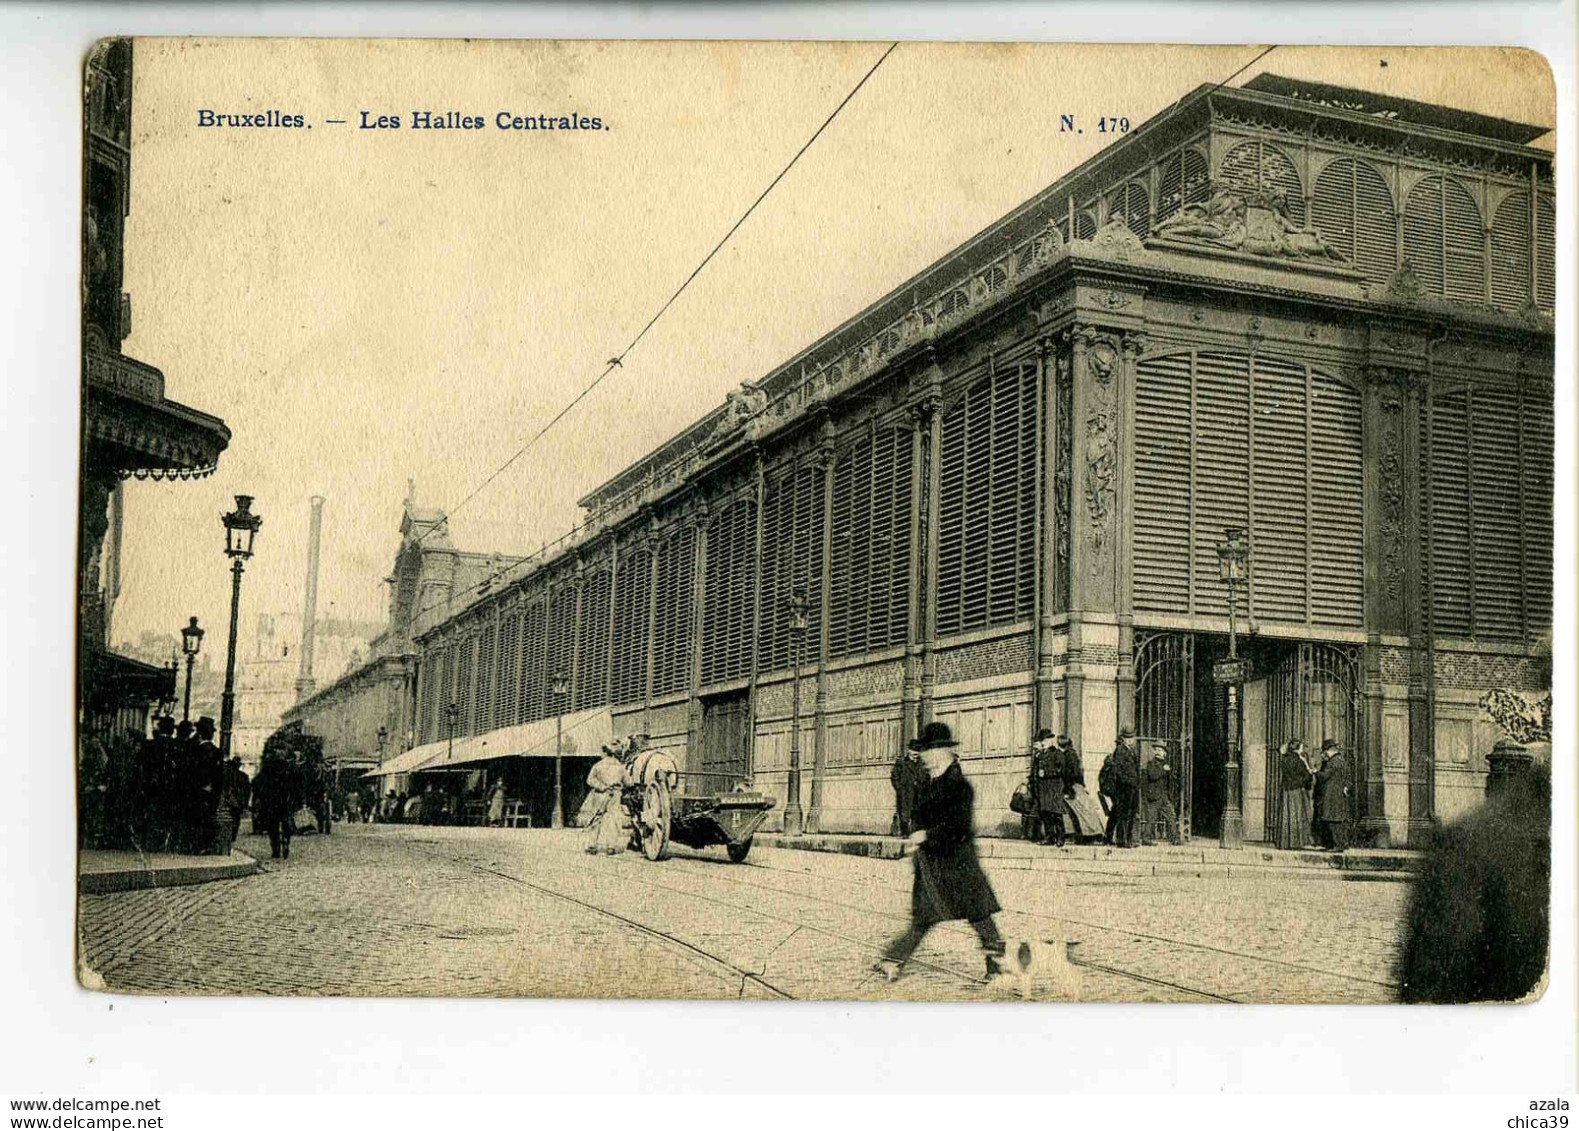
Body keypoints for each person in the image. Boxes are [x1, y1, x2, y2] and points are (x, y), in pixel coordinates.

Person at [872, 722, 1007, 985]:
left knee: (980, 917)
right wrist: (916, 830)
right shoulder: (929, 782)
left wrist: (926, 835)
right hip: (933, 864)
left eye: (928, 750)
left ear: (942, 751)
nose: (923, 756)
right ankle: (893, 960)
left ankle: (999, 968)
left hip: (957, 863)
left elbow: (958, 829)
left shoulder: (959, 787)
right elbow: (917, 814)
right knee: (924, 916)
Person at [1057, 735, 1107, 842]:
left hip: (1073, 787)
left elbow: (1072, 774)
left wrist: (1069, 788)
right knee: (1083, 811)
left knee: (1081, 812)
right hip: (1076, 786)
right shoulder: (1071, 754)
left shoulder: (1069, 755)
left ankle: (1091, 834)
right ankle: (1089, 834)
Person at [250, 750, 298, 860]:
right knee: (286, 823)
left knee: (273, 826)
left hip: (272, 802)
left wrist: (261, 796)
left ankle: (275, 849)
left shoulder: (268, 769)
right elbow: (296, 786)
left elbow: (256, 782)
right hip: (285, 800)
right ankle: (286, 840)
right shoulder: (289, 770)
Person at [584, 742, 629, 855]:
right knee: (613, 820)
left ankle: (592, 845)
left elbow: (590, 780)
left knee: (596, 819)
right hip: (615, 795)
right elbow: (629, 782)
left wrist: (602, 786)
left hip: (600, 794)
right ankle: (611, 847)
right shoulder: (620, 767)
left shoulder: (598, 765)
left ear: (605, 752)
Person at [1099, 727, 1141, 847]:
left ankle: (1126, 839)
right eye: (1127, 738)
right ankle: (1123, 841)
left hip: (1131, 786)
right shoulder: (1121, 750)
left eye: (1131, 737)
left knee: (1126, 814)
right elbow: (1118, 771)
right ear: (1123, 739)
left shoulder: (1131, 750)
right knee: (1124, 814)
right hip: (1124, 788)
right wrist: (1128, 782)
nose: (1129, 740)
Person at [1273, 740, 1316, 850]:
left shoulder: (1284, 760)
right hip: (1296, 790)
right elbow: (1305, 776)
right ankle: (1296, 842)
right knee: (1297, 815)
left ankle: (1284, 842)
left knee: (1286, 816)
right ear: (1297, 748)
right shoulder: (1299, 760)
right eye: (1301, 747)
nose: (1302, 749)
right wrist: (1310, 773)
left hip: (1286, 790)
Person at [1313, 739, 1351, 851]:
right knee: (1338, 819)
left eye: (1325, 751)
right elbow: (1348, 777)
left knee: (1333, 820)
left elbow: (1325, 776)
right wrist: (1346, 787)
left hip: (1331, 794)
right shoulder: (1342, 760)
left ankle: (1337, 845)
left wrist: (1315, 772)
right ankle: (1342, 844)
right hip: (1339, 793)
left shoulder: (1332, 761)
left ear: (1329, 750)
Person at [1138, 742, 1180, 846]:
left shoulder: (1166, 764)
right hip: (1155, 797)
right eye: (1156, 749)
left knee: (1171, 816)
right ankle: (1146, 839)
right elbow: (1153, 776)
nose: (1158, 752)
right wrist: (1163, 770)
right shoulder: (1151, 764)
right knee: (1151, 819)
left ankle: (1175, 839)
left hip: (1164, 797)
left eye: (1161, 750)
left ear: (1165, 753)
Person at [1030, 729, 1066, 846]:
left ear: (1051, 741)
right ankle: (1050, 837)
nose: (1043, 742)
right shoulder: (1040, 755)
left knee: (1056, 814)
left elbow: (1061, 770)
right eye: (1042, 740)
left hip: (1054, 788)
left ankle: (1060, 837)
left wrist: (1046, 773)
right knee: (1045, 814)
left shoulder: (1057, 754)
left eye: (1045, 740)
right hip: (1043, 789)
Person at [890, 746, 922, 837]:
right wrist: (899, 789)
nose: (916, 754)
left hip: (918, 792)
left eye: (918, 751)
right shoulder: (902, 762)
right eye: (914, 751)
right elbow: (894, 776)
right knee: (904, 812)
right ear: (909, 751)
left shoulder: (921, 763)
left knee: (916, 812)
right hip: (906, 792)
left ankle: (914, 832)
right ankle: (905, 832)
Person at [221, 755, 251, 845]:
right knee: (236, 820)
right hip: (238, 802)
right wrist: (245, 803)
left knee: (226, 818)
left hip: (228, 800)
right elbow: (247, 791)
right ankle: (233, 836)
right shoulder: (244, 776)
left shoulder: (226, 775)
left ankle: (228, 835)